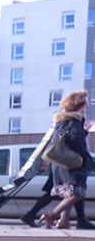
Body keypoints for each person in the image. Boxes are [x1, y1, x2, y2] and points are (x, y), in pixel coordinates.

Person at [42, 90, 94, 229]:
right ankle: (52, 215)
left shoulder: (62, 120)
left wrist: (85, 131)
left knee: (69, 192)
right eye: (86, 103)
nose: (87, 106)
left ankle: (63, 221)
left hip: (61, 163)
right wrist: (84, 155)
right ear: (79, 105)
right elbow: (75, 139)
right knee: (77, 194)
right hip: (72, 163)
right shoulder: (75, 120)